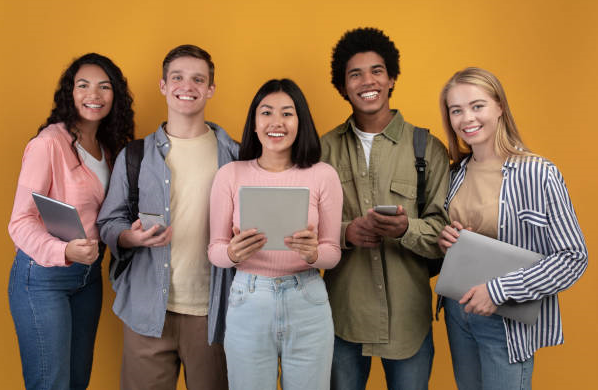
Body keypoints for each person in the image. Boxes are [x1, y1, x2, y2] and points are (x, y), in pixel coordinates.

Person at [437, 67, 588, 390]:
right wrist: (446, 240)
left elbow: (574, 257)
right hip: (457, 311)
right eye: (456, 110)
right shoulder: (454, 174)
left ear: (500, 107)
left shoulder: (538, 173)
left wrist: (499, 291)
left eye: (477, 106)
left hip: (504, 319)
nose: (467, 119)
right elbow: (464, 241)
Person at [96, 45, 236, 390]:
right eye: (177, 77)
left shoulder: (237, 156)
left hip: (215, 315)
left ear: (210, 89)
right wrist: (131, 236)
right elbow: (109, 223)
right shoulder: (135, 155)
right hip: (146, 312)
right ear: (163, 85)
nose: (186, 86)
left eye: (197, 79)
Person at [320, 27, 450, 390]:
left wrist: (408, 229)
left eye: (377, 70)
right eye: (355, 74)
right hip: (342, 316)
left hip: (408, 320)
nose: (367, 81)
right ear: (342, 86)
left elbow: (445, 231)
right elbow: (301, 228)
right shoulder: (323, 149)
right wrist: (344, 232)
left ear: (392, 78)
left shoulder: (428, 148)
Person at [8, 53, 134, 390]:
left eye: (104, 87)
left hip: (88, 278)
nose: (94, 94)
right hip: (43, 278)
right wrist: (64, 252)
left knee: (77, 382)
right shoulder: (49, 143)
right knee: (51, 384)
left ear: (115, 96)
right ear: (70, 92)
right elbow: (19, 222)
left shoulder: (109, 148)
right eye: (83, 85)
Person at [208, 79, 343, 390]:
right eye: (266, 112)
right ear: (254, 123)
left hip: (307, 298)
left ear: (300, 122)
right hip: (248, 298)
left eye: (287, 113)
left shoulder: (323, 175)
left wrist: (313, 254)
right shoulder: (230, 175)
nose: (276, 123)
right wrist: (231, 253)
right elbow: (214, 249)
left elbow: (332, 252)